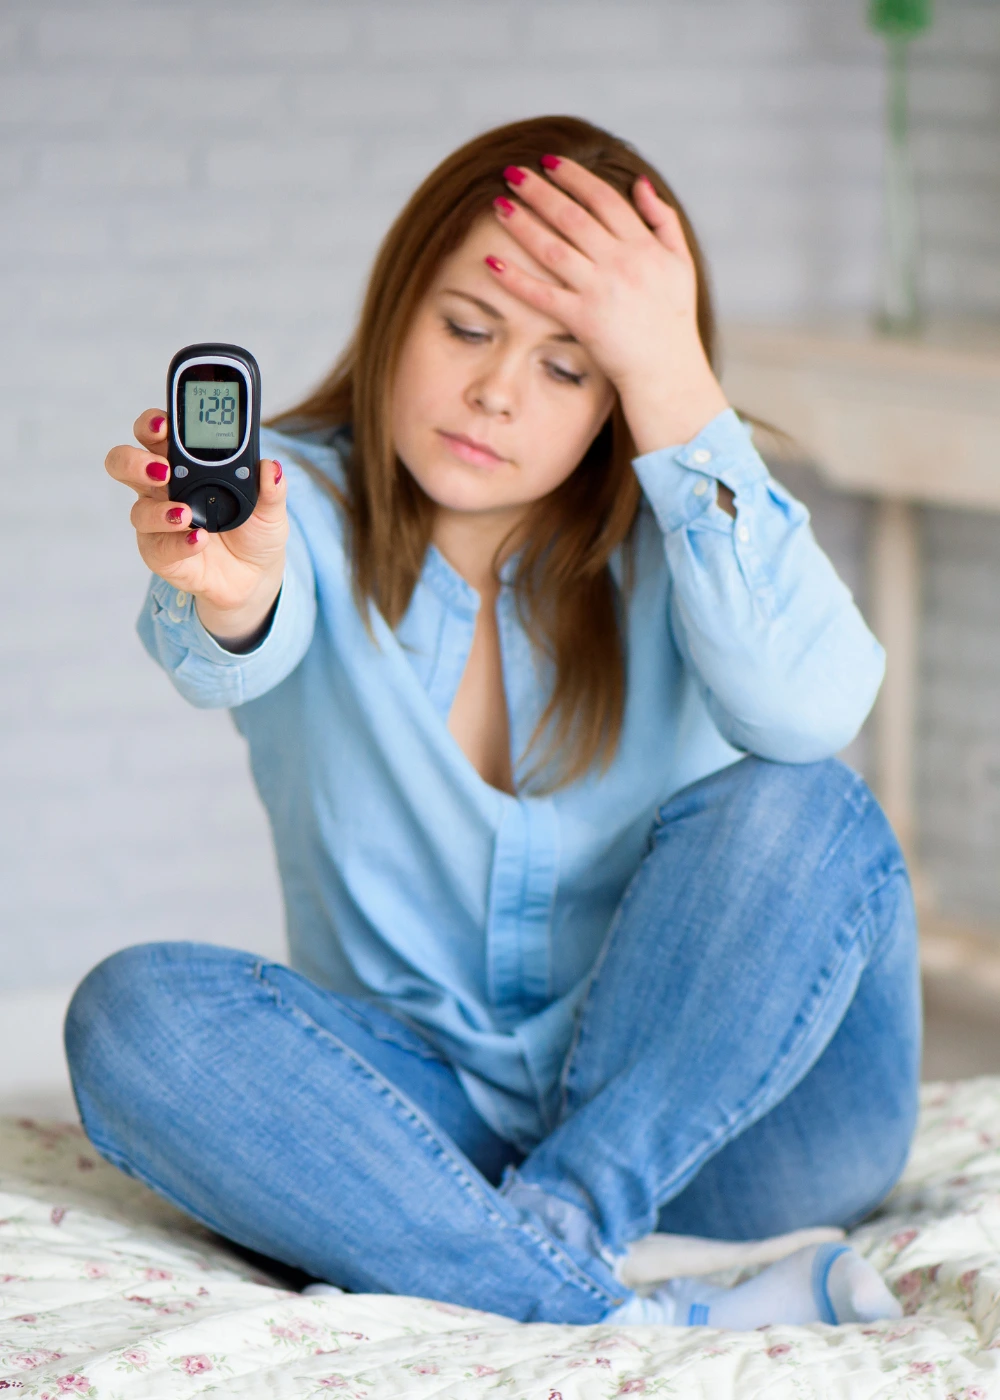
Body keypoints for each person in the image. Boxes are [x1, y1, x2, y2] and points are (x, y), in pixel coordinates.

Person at [65, 115, 919, 1329]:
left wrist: (671, 373)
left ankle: (551, 1232)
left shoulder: (690, 530)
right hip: (437, 1121)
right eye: (466, 326)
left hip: (742, 1131)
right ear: (398, 302)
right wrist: (234, 595)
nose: (493, 391)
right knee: (134, 1016)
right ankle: (609, 1304)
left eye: (569, 368)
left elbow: (813, 705)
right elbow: (228, 649)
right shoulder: (286, 503)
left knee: (802, 797)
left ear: (618, 395)